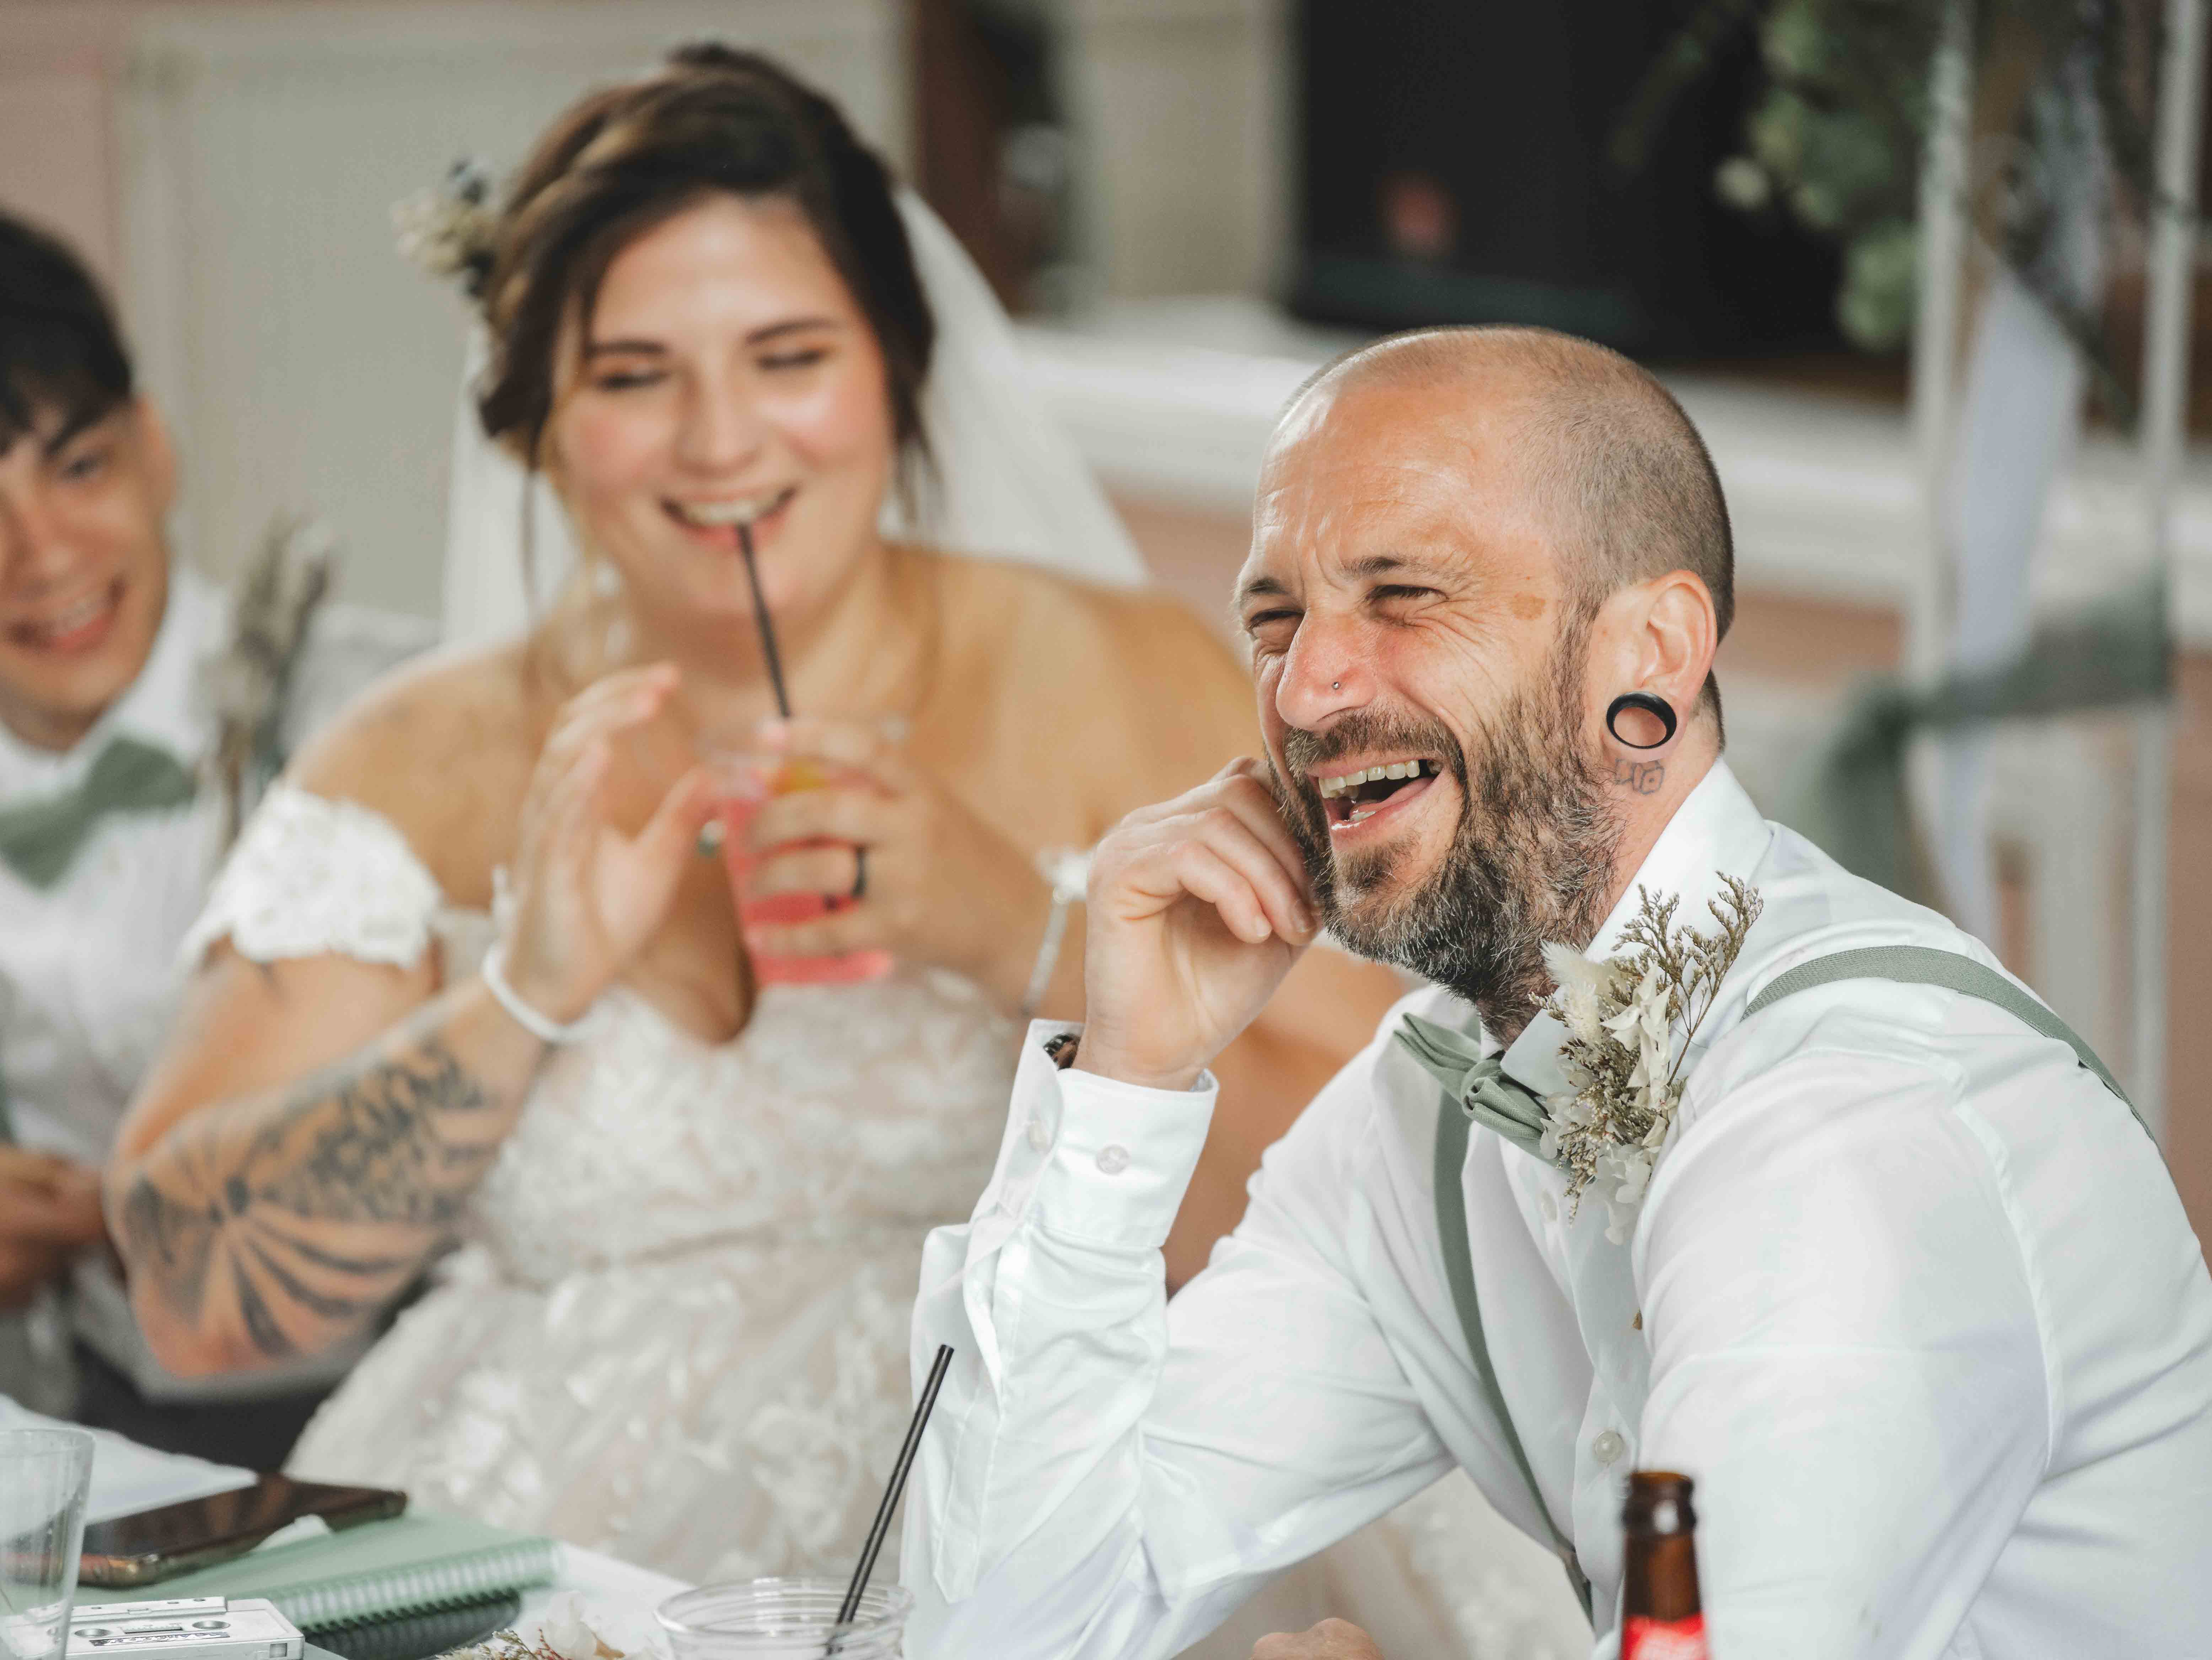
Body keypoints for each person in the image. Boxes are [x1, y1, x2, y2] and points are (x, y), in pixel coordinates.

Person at [101, 47, 1402, 1585]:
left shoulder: (1113, 675)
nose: (720, 443)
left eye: (788, 356)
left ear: (897, 368)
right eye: (635, 377)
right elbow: (189, 1296)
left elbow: (1370, 1211)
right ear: (532, 421)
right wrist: (522, 994)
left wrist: (1019, 929)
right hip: (540, 1533)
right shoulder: (424, 754)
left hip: (1051, 1506)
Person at [903, 326, 2212, 1658]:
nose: (1303, 692)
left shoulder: (1854, 1123)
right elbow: (1003, 1632)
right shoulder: (1426, 1112)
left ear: (1651, 649)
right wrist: (1127, 1077)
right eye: (1276, 620)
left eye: (1404, 596)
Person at [0, 209, 428, 1461]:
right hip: (59, 1445)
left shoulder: (367, 705)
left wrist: (107, 1215)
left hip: (380, 1418)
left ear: (157, 450)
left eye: (79, 468)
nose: (40, 555)